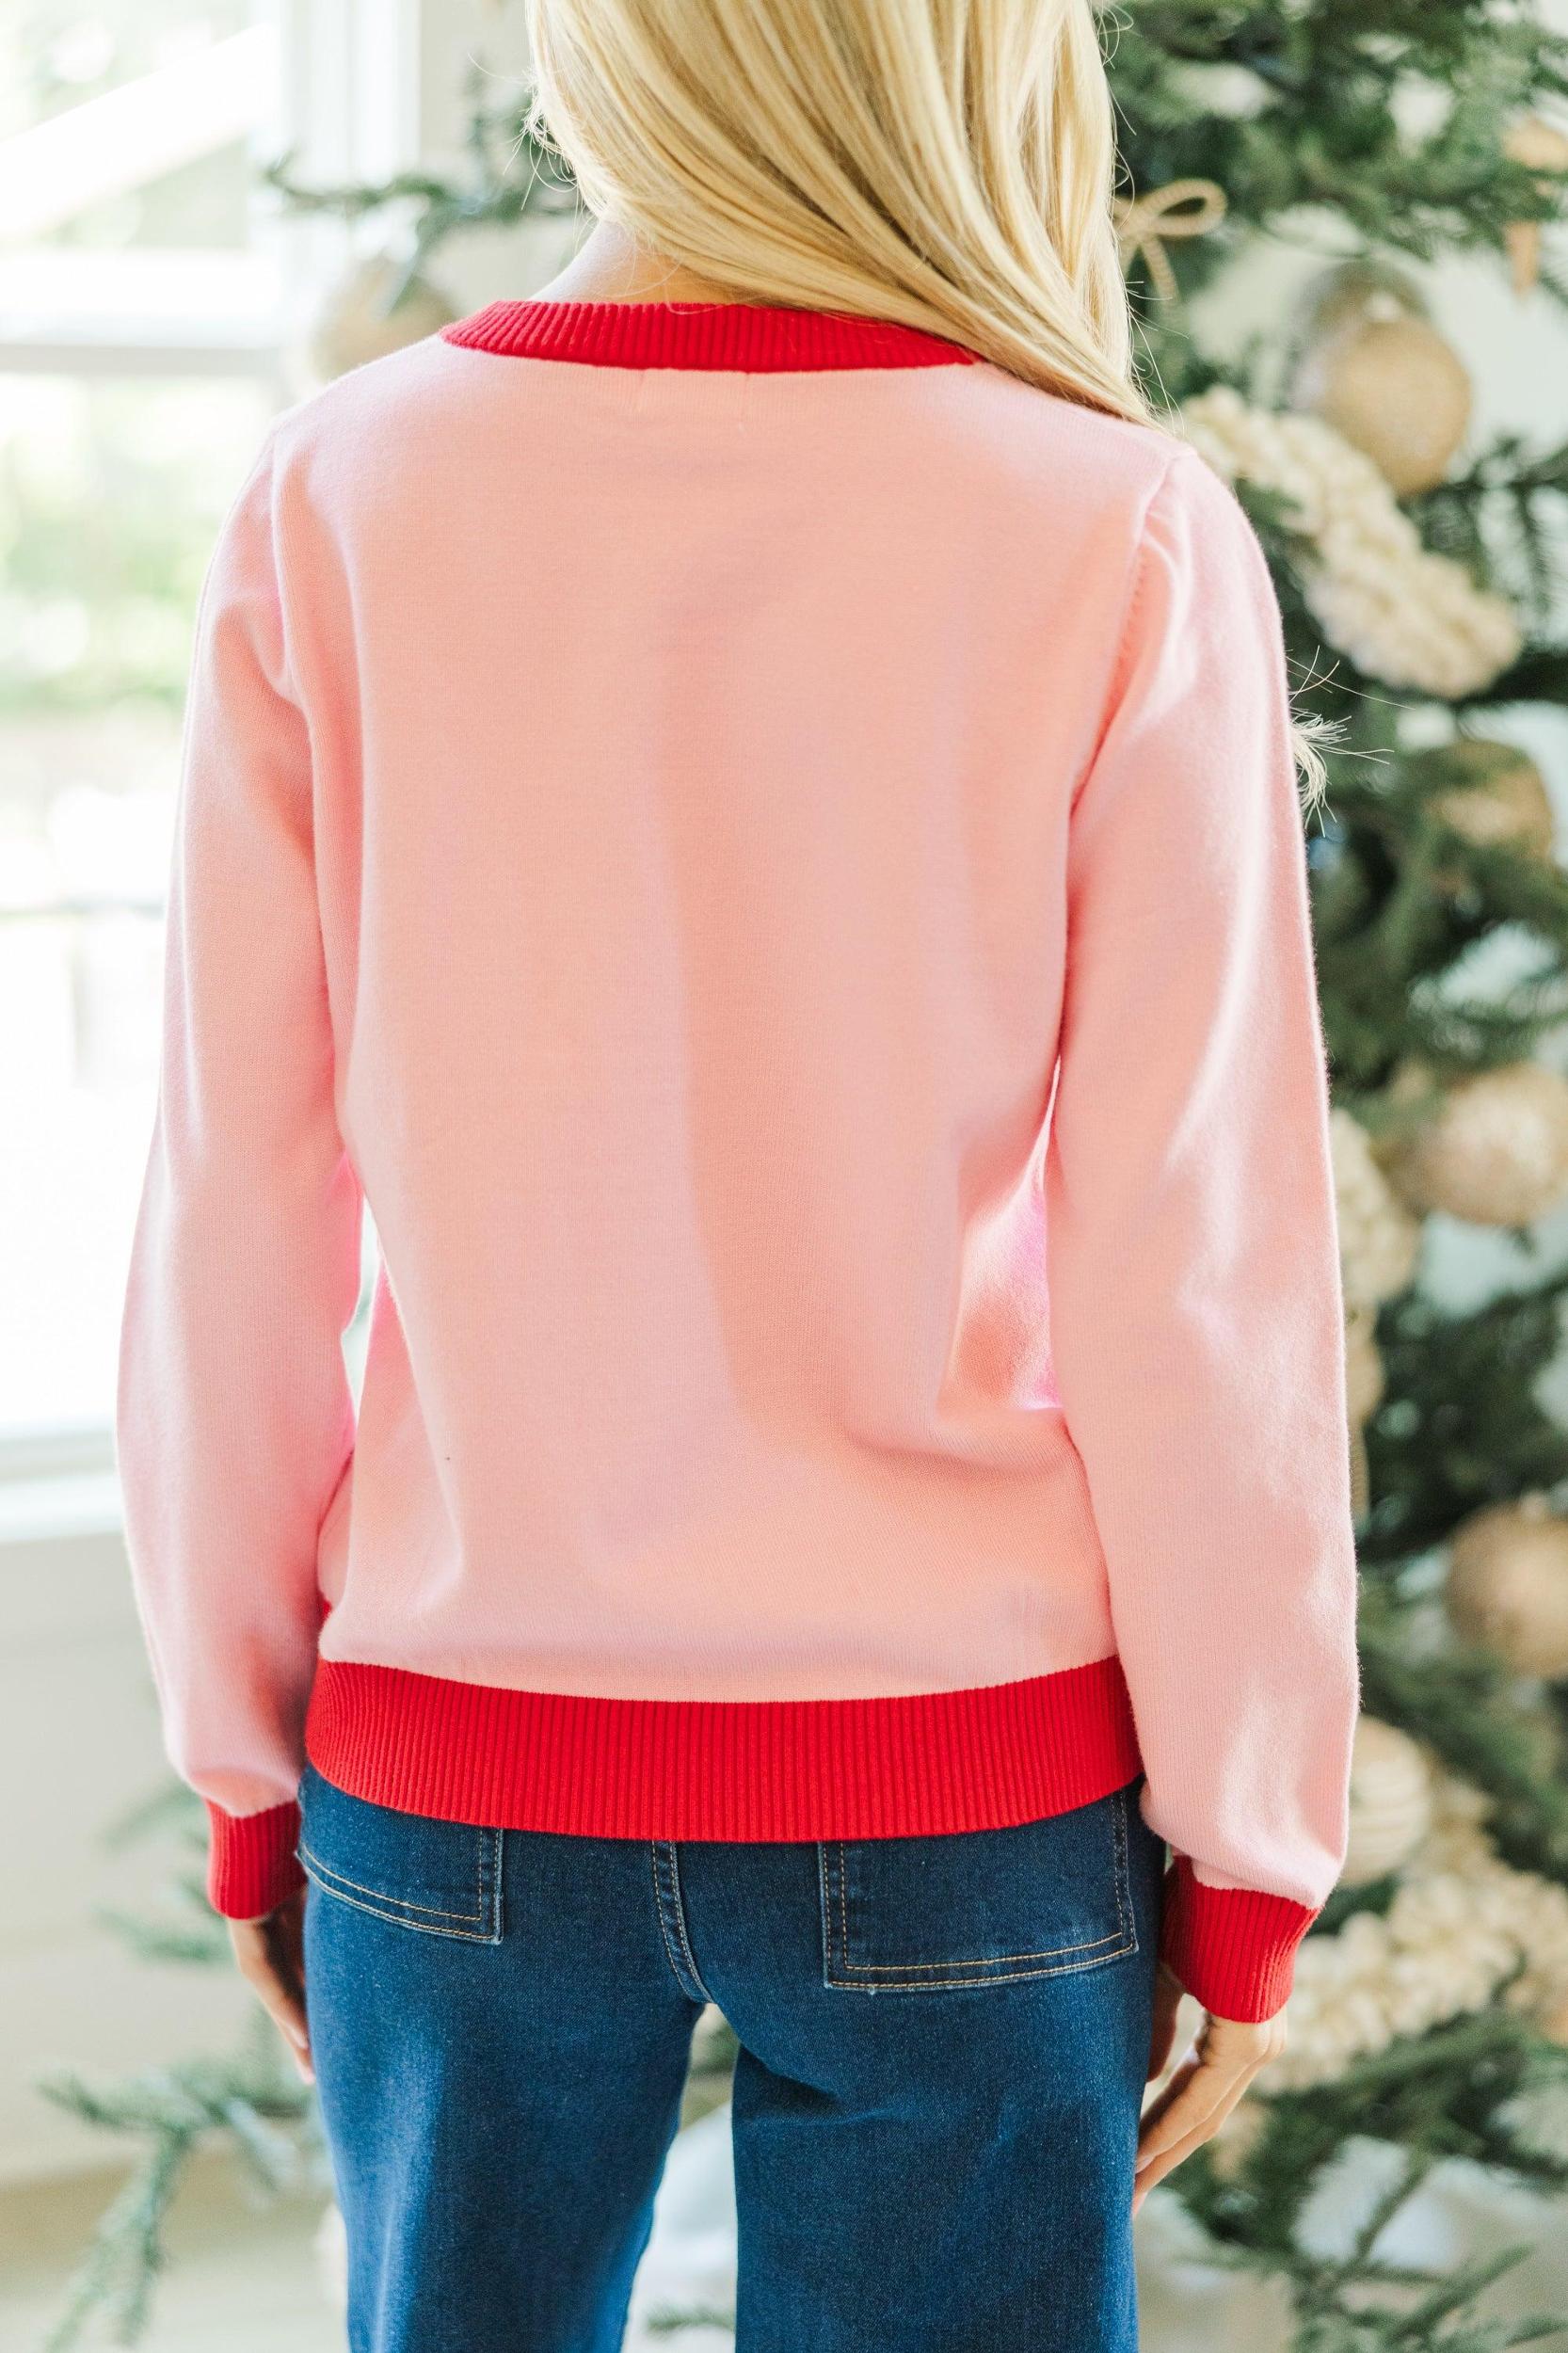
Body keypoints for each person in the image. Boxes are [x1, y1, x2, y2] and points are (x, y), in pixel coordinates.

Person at [115, 0, 1362, 2345]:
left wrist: (245, 1765)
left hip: (449, 1775)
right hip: (961, 1794)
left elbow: (237, 1219)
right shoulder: (1109, 523)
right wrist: (1244, 1843)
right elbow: (1195, 1272)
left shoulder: (337, 493)